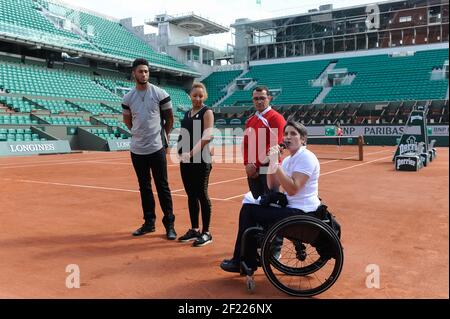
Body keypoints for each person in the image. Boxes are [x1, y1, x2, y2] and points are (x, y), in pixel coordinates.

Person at [220, 121, 321, 272]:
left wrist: (276, 163)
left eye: (293, 134)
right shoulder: (288, 159)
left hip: (302, 211)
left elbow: (293, 188)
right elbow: (272, 186)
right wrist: (273, 164)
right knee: (249, 205)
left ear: (303, 139)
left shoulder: (306, 157)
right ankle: (247, 257)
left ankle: (244, 260)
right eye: (286, 134)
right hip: (292, 208)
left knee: (249, 211)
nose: (288, 137)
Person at [122, 58, 177, 240]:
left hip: (156, 148)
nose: (143, 74)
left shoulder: (160, 94)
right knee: (144, 187)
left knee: (162, 186)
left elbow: (169, 119)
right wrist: (138, 134)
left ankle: (169, 225)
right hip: (137, 150)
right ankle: (149, 223)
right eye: (140, 71)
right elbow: (128, 121)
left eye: (146, 71)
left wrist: (164, 137)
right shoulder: (128, 98)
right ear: (134, 73)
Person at [177, 83, 214, 247]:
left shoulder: (207, 112)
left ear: (204, 96)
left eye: (200, 96)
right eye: (195, 95)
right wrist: (179, 151)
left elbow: (207, 136)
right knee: (191, 195)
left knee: (201, 194)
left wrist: (191, 153)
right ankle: (194, 229)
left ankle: (206, 233)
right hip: (186, 161)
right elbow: (183, 135)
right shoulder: (186, 114)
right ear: (190, 96)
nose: (197, 98)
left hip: (201, 159)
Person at [243, 86, 286, 199]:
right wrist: (247, 164)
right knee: (257, 201)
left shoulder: (276, 118)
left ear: (269, 98)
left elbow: (273, 145)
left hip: (269, 167)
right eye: (256, 99)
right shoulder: (250, 121)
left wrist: (255, 165)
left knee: (271, 202)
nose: (259, 101)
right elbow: (246, 144)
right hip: (252, 169)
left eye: (262, 98)